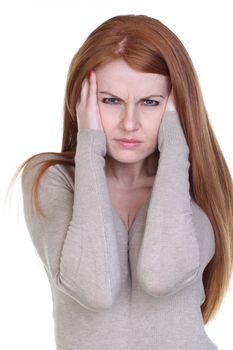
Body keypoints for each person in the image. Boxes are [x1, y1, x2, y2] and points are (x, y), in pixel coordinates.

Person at [9, 14, 233, 349]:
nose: (130, 122)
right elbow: (95, 287)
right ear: (81, 100)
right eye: (110, 100)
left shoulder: (195, 193)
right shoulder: (49, 179)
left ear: (177, 107)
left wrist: (175, 146)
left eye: (151, 103)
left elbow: (160, 275)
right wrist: (89, 149)